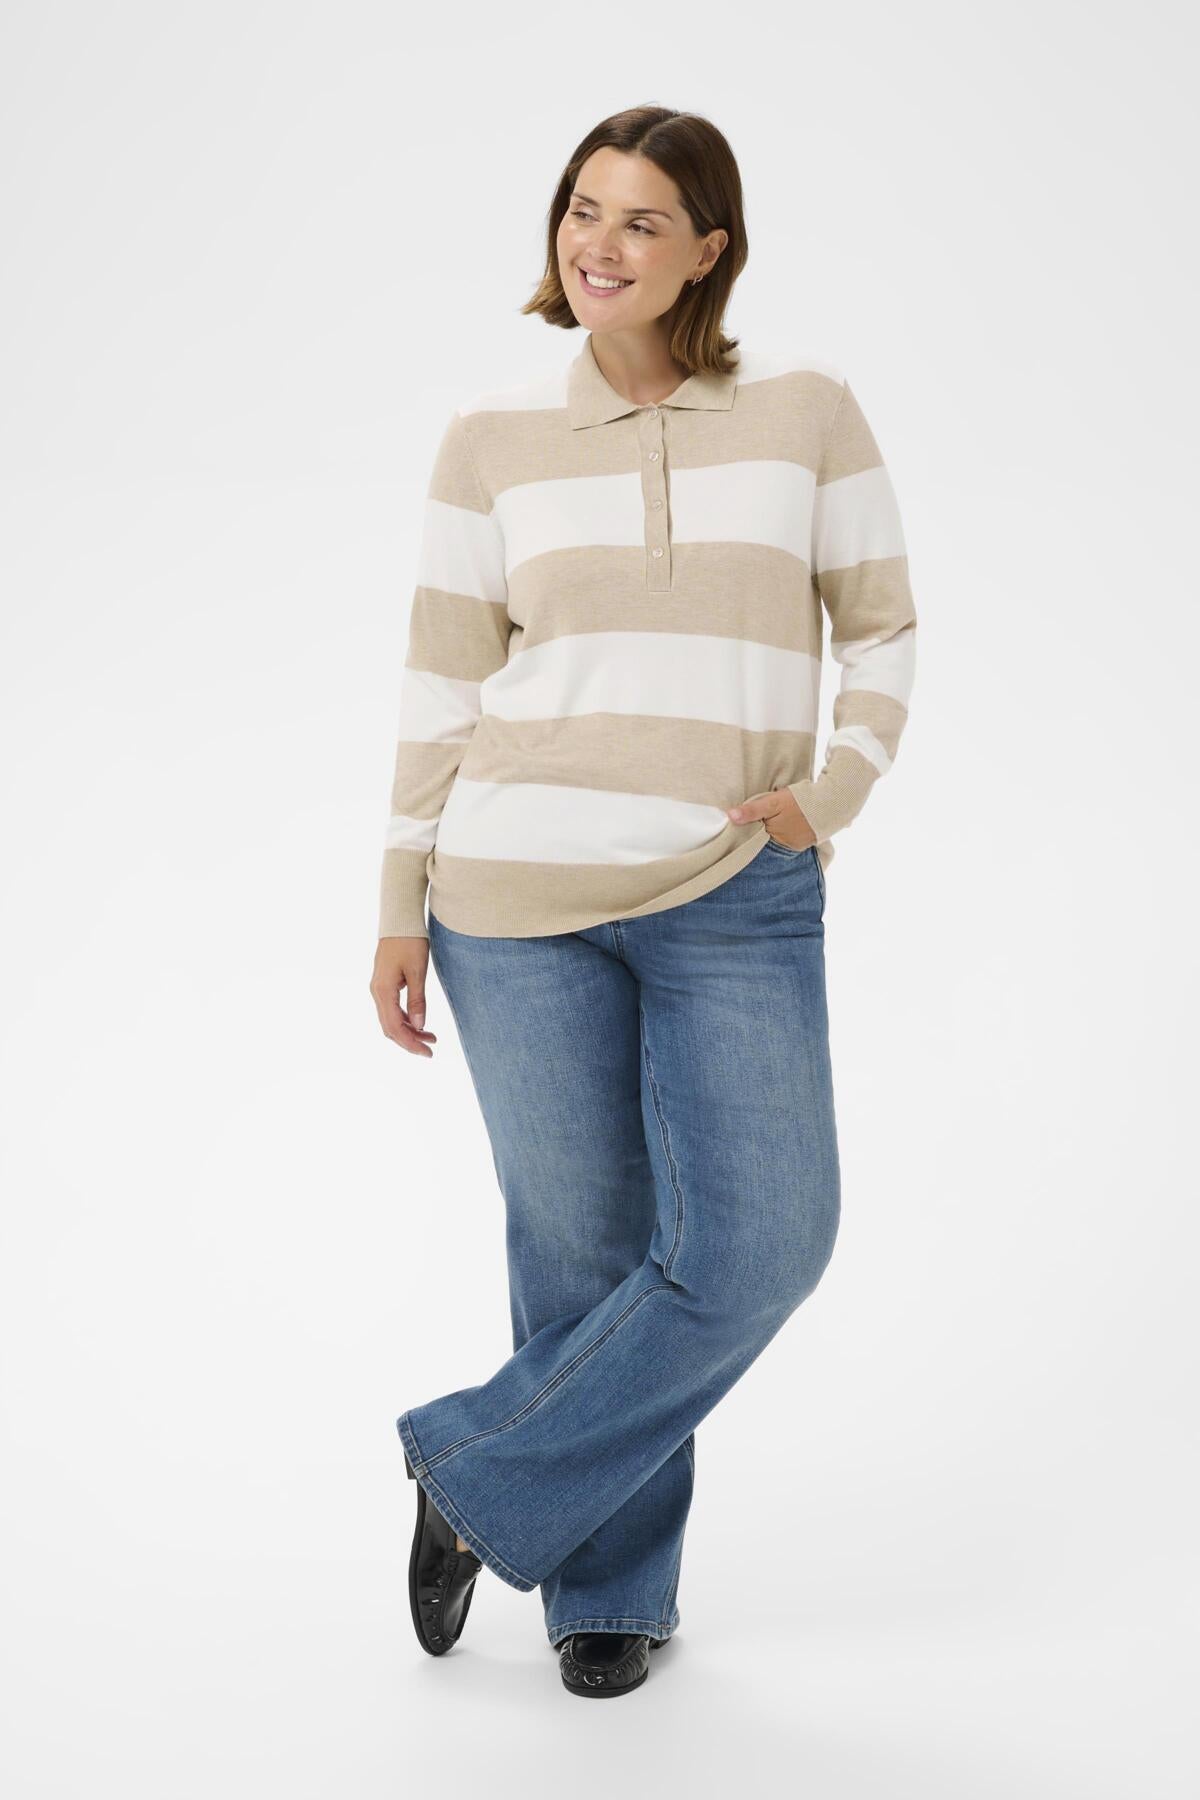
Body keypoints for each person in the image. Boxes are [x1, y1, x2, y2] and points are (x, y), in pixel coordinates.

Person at [369, 103, 917, 1700]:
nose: (599, 246)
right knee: (583, 1252)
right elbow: (439, 680)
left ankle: (472, 1471)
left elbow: (884, 628)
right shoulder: (491, 440)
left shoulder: (807, 413)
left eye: (641, 221)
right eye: (581, 211)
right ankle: (606, 1593)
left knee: (767, 1241)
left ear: (708, 251)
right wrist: (398, 898)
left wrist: (832, 793)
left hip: (737, 882)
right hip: (511, 897)